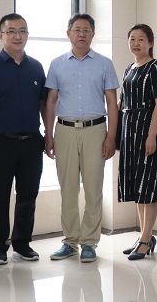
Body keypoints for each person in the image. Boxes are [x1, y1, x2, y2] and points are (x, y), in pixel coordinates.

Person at [44, 13, 120, 263]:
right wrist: (48, 134)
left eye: (86, 30)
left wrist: (111, 136)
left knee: (93, 189)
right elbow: (51, 101)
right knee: (67, 188)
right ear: (68, 33)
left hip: (95, 130)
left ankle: (89, 242)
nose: (81, 34)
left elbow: (112, 102)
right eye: (77, 29)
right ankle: (69, 242)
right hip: (64, 130)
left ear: (93, 34)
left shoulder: (104, 64)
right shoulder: (56, 64)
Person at [0, 13, 48, 265]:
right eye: (12, 31)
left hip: (31, 142)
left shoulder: (36, 67)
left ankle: (22, 244)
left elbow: (43, 104)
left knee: (28, 196)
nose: (18, 36)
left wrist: (49, 135)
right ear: (1, 35)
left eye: (22, 31)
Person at [117, 24, 157, 260]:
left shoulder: (155, 67)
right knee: (138, 186)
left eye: (141, 39)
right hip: (129, 131)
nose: (136, 43)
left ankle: (147, 239)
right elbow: (122, 102)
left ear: (150, 43)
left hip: (147, 128)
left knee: (149, 185)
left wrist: (151, 136)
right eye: (132, 39)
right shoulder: (129, 68)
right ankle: (143, 236)